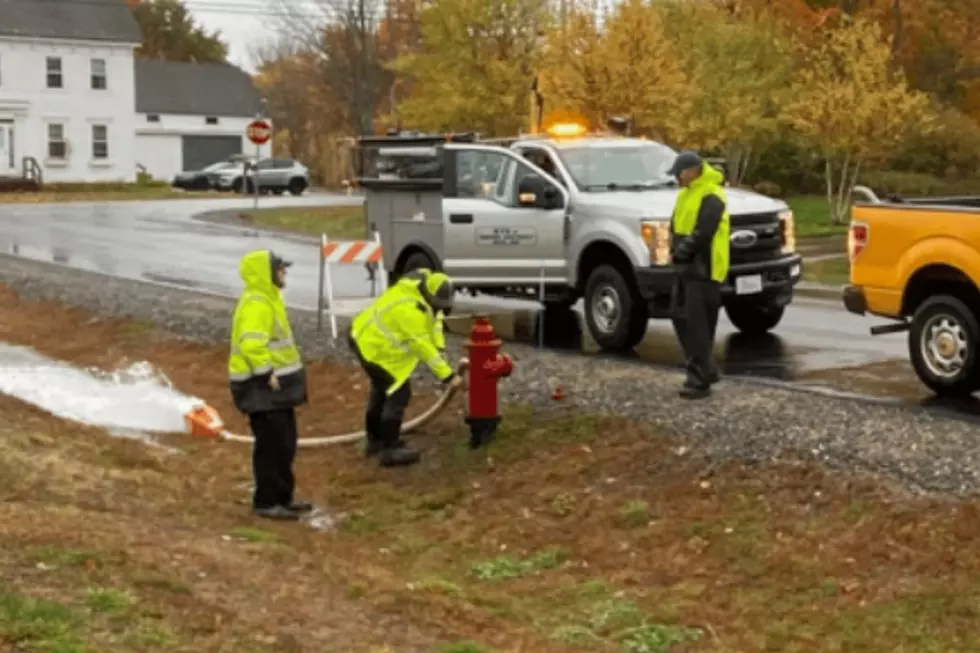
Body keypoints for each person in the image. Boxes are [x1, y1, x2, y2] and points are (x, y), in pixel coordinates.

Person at [348, 268, 463, 467]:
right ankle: (389, 450)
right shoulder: (410, 310)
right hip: (371, 346)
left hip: (366, 336)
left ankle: (375, 441)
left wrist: (440, 347)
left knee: (382, 388)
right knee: (399, 392)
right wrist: (448, 376)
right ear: (429, 295)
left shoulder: (423, 286)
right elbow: (421, 346)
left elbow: (435, 320)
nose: (439, 308)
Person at [228, 249, 311, 520]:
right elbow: (251, 343)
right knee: (272, 444)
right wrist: (266, 374)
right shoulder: (258, 303)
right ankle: (266, 501)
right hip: (260, 388)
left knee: (285, 442)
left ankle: (283, 498)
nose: (284, 274)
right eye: (280, 269)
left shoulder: (269, 299)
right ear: (267, 273)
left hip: (273, 389)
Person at [666, 151, 730, 400]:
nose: (676, 178)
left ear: (693, 170)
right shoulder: (685, 195)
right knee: (679, 316)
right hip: (686, 267)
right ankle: (707, 369)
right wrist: (674, 251)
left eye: (679, 173)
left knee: (697, 326)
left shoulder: (712, 195)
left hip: (705, 269)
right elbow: (676, 227)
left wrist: (681, 252)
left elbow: (703, 233)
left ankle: (698, 380)